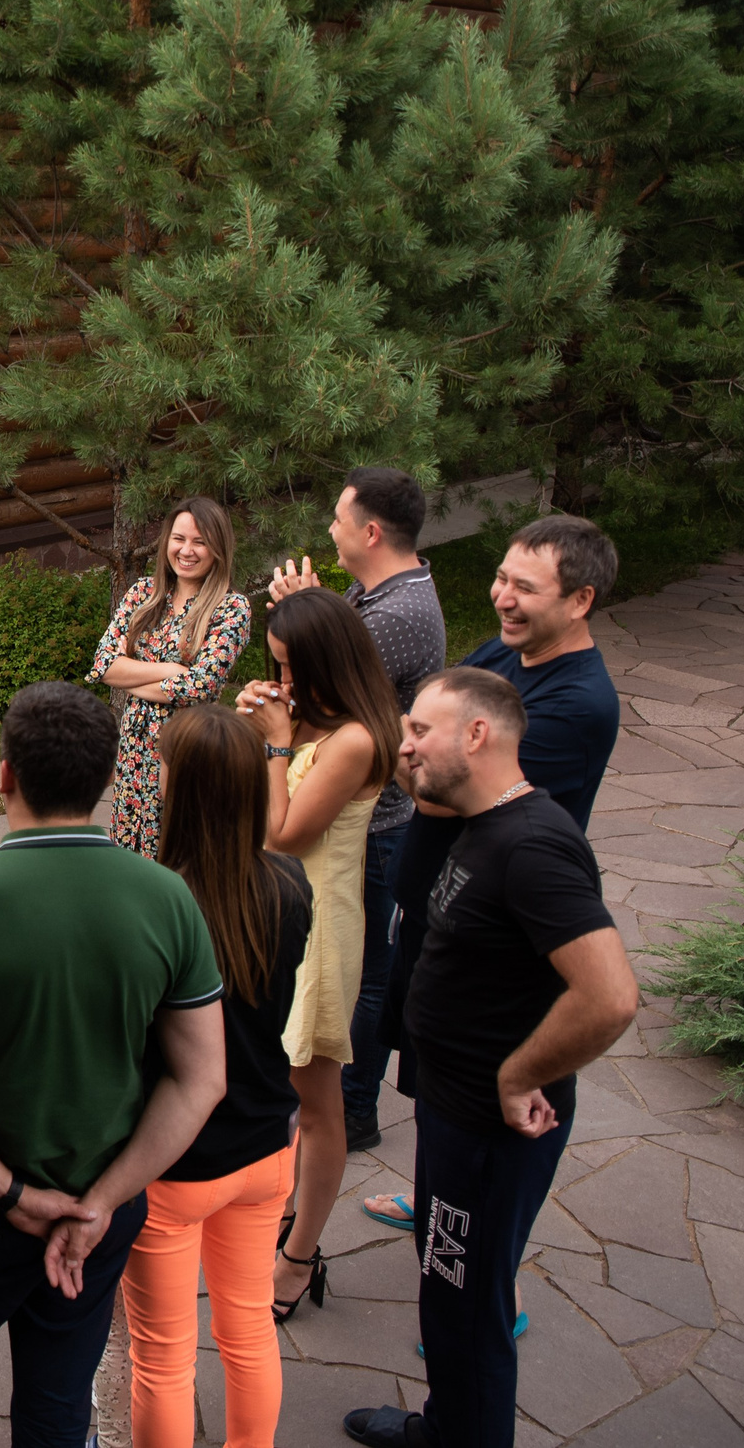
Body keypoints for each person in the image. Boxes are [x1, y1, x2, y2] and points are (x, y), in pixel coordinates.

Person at [0, 682, 226, 1448]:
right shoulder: (168, 898)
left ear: (4, 775)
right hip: (96, 1218)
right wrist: (98, 1201)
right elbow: (203, 1079)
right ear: (107, 782)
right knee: (56, 1409)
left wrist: (12, 1196)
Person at [341, 669, 639, 1448]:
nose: (403, 747)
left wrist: (519, 1072)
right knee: (448, 1293)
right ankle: (443, 1426)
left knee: (470, 1310)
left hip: (486, 1127)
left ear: (478, 734)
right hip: (451, 1110)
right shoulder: (478, 817)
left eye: (418, 732)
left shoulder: (533, 845)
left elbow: (609, 995)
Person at [366, 514, 623, 1231]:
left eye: (525, 587)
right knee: (431, 1068)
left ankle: (488, 1280)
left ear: (580, 600)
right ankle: (435, 1194)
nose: (502, 597)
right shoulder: (507, 657)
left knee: (491, 1109)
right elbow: (429, 753)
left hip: (498, 933)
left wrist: (379, 735)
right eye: (502, 578)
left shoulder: (578, 702)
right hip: (441, 908)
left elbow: (439, 792)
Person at [118, 703, 312, 1448]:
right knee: (248, 1328)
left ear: (183, 786)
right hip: (267, 1148)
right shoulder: (290, 882)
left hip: (177, 1161)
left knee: (163, 1357)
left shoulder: (155, 900)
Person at [267, 469, 447, 1152]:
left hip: (368, 830)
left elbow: (334, 682)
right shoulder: (385, 593)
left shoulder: (395, 614)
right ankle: (328, 1106)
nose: (332, 529)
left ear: (371, 530)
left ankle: (349, 1105)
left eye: (339, 518)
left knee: (361, 981)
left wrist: (275, 744)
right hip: (351, 821)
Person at [231, 586, 396, 1322]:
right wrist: (260, 730)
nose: (286, 682)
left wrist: (275, 741)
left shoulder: (356, 739)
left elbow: (284, 833)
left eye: (292, 668)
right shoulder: (315, 723)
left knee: (317, 1100)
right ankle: (276, 1222)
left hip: (323, 931)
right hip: (283, 918)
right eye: (278, 668)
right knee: (281, 1081)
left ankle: (299, 1258)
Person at [89, 498, 251, 857]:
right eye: (179, 539)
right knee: (130, 857)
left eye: (200, 541)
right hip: (133, 750)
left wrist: (130, 677)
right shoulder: (144, 594)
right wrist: (172, 671)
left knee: (181, 854)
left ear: (218, 548)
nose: (187, 551)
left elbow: (201, 686)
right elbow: (104, 665)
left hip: (187, 748)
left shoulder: (230, 607)